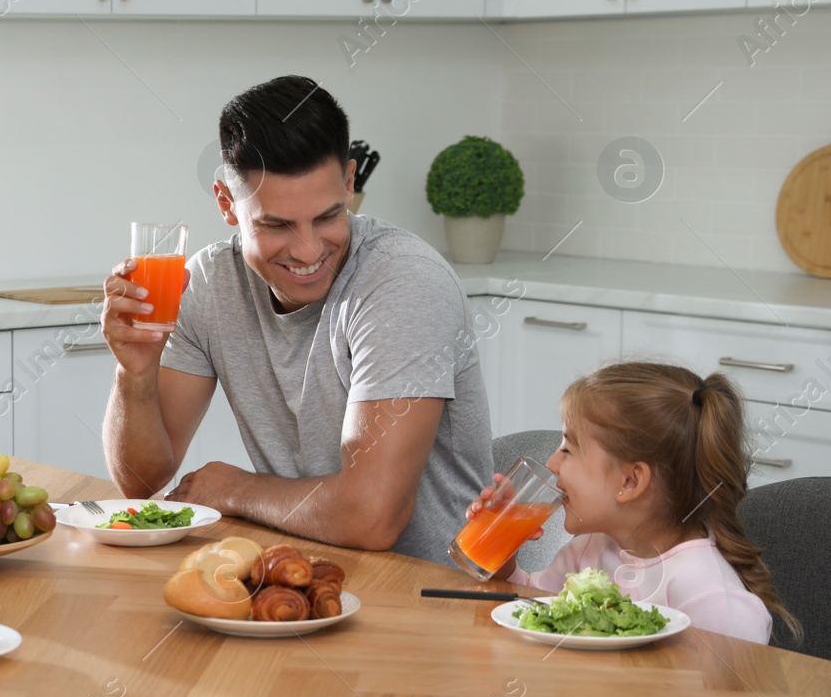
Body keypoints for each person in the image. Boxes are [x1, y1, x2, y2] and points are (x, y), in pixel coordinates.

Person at [101, 75, 492, 561]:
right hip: (303, 568)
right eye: (277, 224)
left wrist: (236, 489)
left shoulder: (403, 283)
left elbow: (373, 517)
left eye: (328, 216)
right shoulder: (207, 283)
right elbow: (141, 483)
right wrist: (134, 373)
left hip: (431, 594)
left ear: (350, 183)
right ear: (227, 204)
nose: (309, 251)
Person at [470, 362, 797, 646]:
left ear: (629, 482)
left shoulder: (706, 592)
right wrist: (503, 557)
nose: (553, 462)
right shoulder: (588, 549)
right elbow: (530, 605)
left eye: (568, 449)